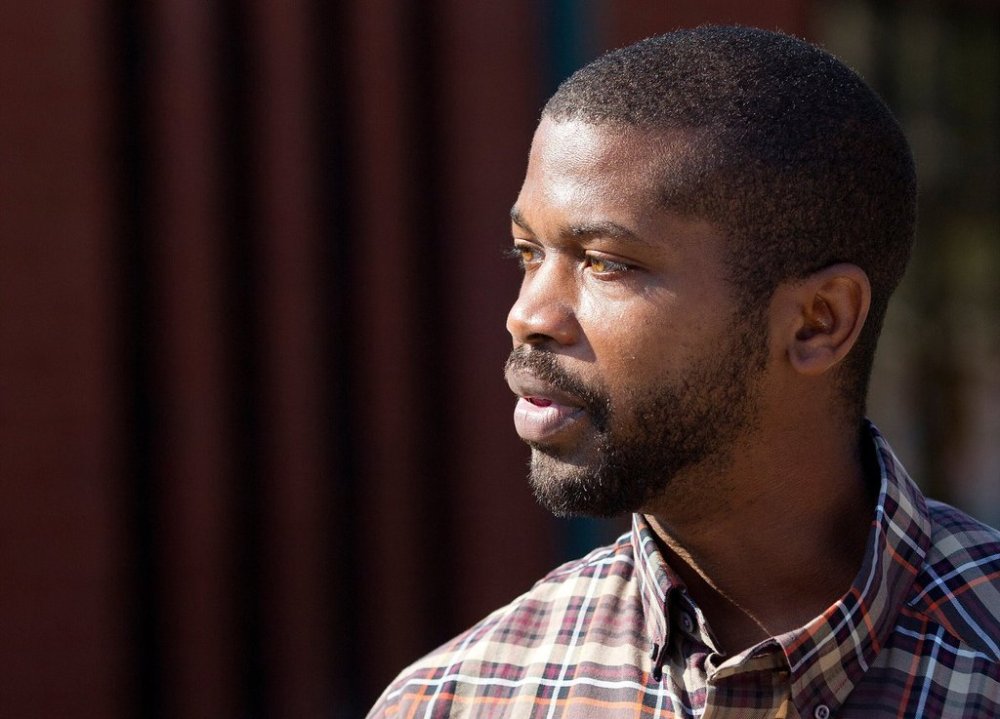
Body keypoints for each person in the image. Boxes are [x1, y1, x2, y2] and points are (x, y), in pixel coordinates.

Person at [369, 26, 1000, 718]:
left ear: (818, 321)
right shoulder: (457, 699)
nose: (528, 315)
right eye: (527, 253)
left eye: (606, 261)